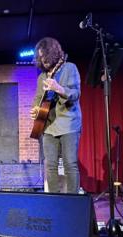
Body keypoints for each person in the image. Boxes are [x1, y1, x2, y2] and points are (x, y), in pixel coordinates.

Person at [30, 37, 82, 193]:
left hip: (69, 123)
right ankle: (54, 200)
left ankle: (73, 202)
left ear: (53, 53)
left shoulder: (70, 68)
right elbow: (38, 99)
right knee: (50, 165)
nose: (43, 59)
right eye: (40, 56)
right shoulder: (42, 77)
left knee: (70, 164)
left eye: (45, 55)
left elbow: (75, 94)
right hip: (48, 126)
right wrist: (35, 110)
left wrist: (59, 88)